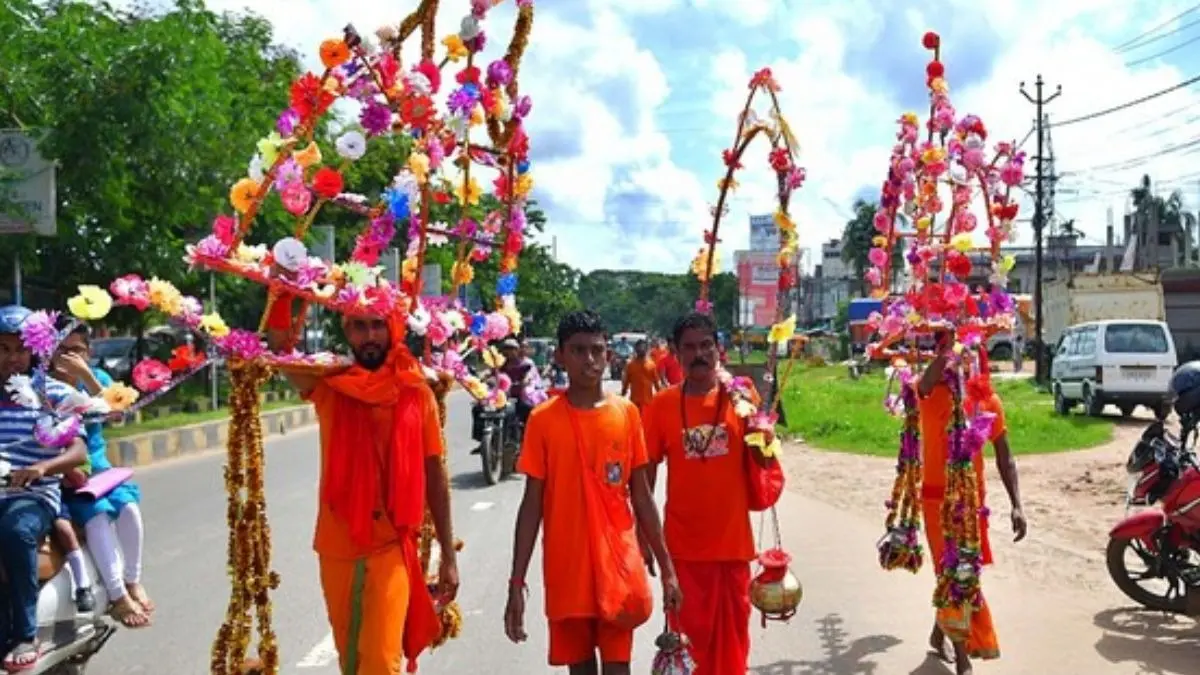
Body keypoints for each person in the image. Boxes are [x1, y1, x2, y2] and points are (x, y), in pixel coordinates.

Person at [266, 296, 458, 675]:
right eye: (359, 326)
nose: (370, 335)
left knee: (383, 661)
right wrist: (285, 289)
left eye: (377, 325)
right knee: (352, 660)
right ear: (346, 332)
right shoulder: (332, 385)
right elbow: (279, 353)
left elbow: (435, 473)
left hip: (391, 543)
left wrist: (448, 554)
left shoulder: (416, 392)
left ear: (392, 329)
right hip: (337, 543)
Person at [504, 310, 682, 675]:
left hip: (619, 569)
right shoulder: (542, 420)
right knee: (580, 670)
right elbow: (531, 506)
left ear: (608, 355)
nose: (589, 360)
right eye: (578, 350)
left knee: (619, 669)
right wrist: (516, 583)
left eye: (597, 350)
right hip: (567, 572)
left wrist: (667, 568)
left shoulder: (627, 414)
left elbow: (643, 497)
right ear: (560, 356)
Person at [642, 312, 764, 675]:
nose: (699, 354)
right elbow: (645, 477)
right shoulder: (662, 406)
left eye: (706, 345)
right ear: (676, 355)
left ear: (719, 350)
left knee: (733, 645)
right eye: (689, 347)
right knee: (687, 649)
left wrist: (765, 439)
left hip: (732, 548)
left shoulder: (742, 398)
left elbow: (762, 461)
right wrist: (644, 536)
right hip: (682, 553)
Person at [917, 334, 1027, 675]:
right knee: (952, 573)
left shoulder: (989, 401)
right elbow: (923, 383)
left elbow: (1005, 457)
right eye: (953, 353)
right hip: (936, 501)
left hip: (973, 503)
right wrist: (946, 353)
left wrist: (1017, 504)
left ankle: (940, 636)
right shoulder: (930, 393)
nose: (963, 361)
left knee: (963, 573)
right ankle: (964, 658)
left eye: (969, 354)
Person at [0, 305, 90, 671]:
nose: (12, 358)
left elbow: (79, 450)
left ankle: (24, 633)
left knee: (14, 530)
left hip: (33, 495)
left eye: (20, 349)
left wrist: (41, 467)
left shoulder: (54, 392)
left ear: (35, 350)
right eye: (3, 349)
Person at [52, 324, 152, 628]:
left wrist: (86, 376)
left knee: (130, 510)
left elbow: (119, 412)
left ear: (88, 352)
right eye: (63, 351)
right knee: (97, 518)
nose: (69, 357)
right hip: (66, 473)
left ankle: (132, 580)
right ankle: (117, 596)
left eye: (76, 351)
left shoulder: (96, 380)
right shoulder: (44, 386)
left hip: (101, 470)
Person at [620, 339, 659, 415]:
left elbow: (657, 384)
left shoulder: (652, 365)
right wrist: (621, 397)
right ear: (635, 349)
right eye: (639, 347)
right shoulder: (630, 365)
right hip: (634, 403)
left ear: (647, 349)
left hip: (648, 403)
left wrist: (661, 398)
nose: (641, 349)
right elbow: (626, 384)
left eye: (643, 347)